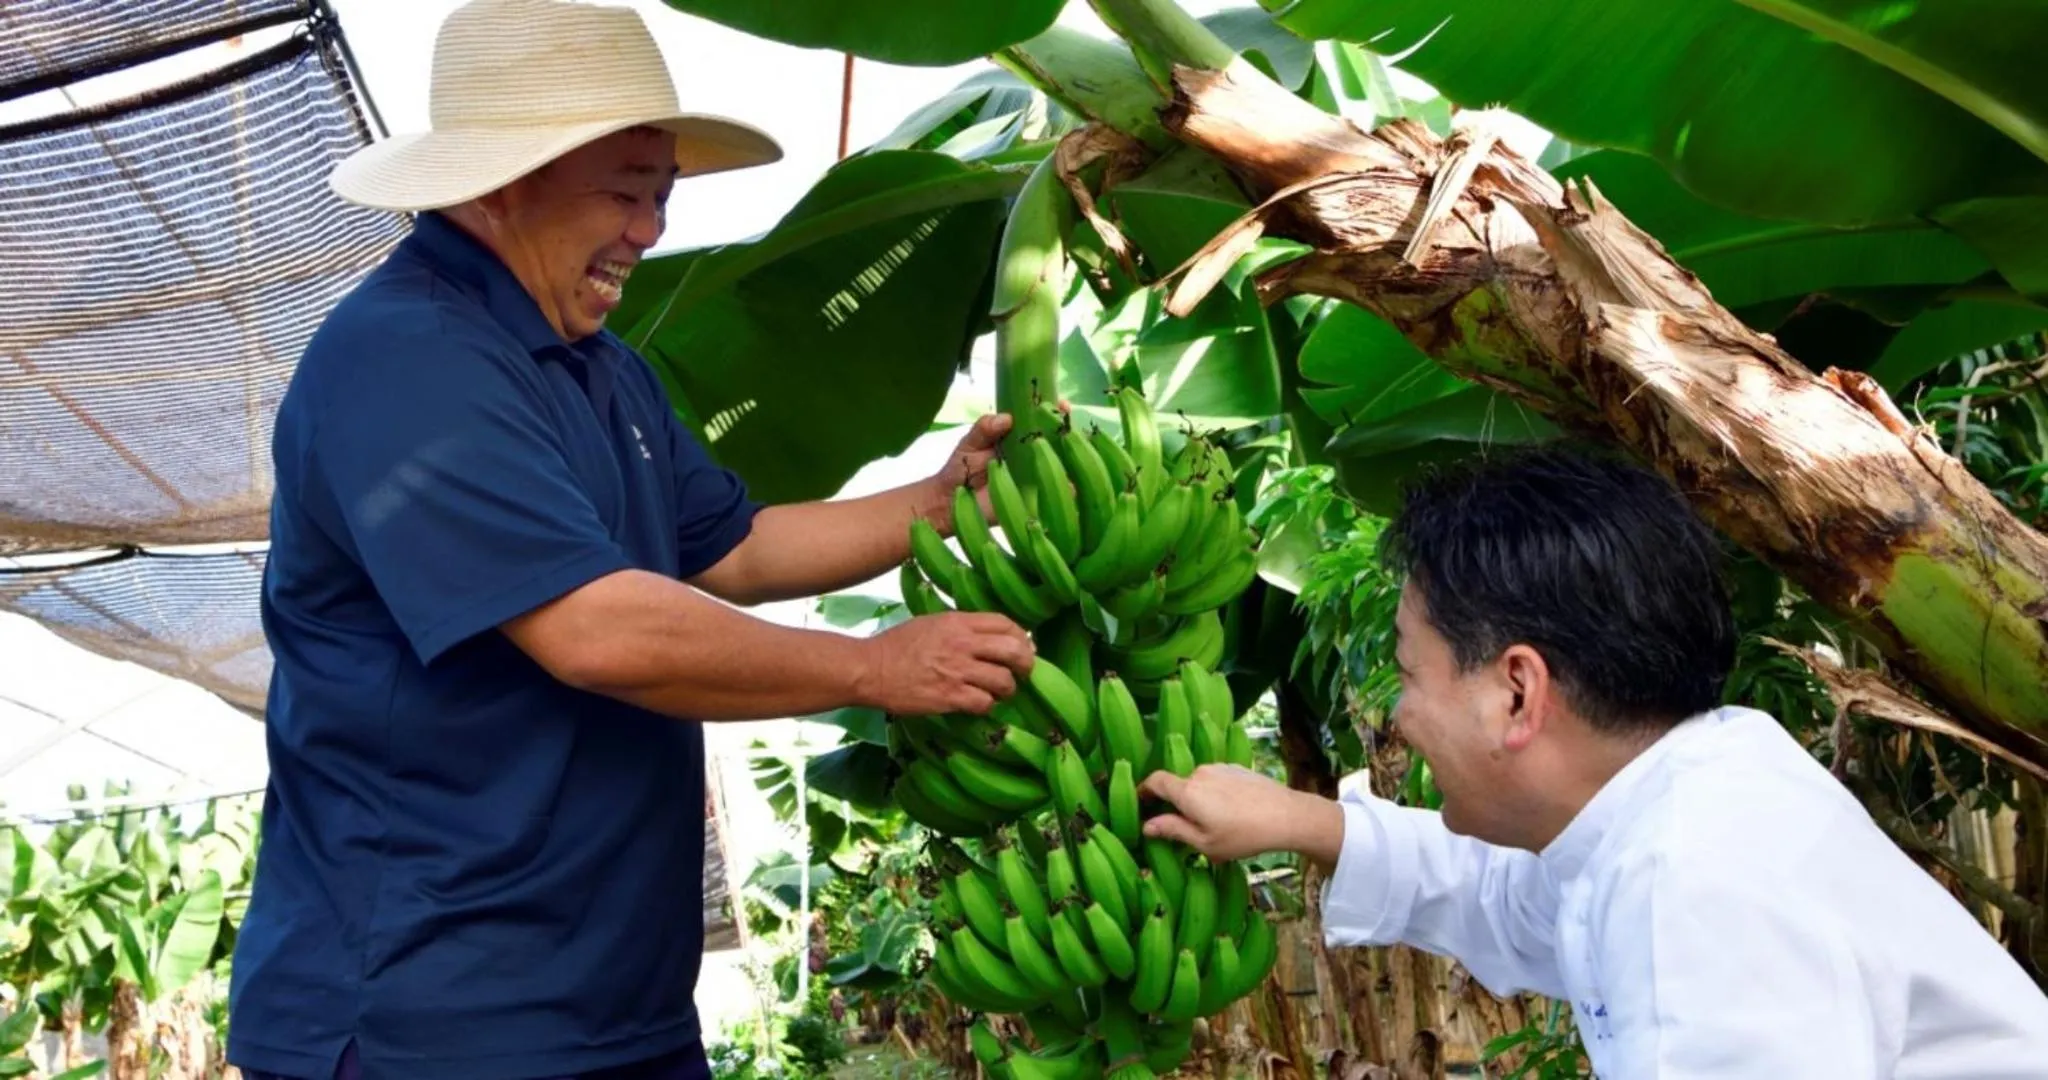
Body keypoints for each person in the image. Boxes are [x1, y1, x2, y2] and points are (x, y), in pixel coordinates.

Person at [228, 2, 1036, 1078]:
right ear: (503, 181)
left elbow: (735, 547)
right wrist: (873, 667)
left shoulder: (603, 369)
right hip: (432, 1018)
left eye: (660, 197)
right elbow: (596, 631)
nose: (649, 232)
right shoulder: (409, 359)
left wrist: (934, 503)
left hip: (614, 1009)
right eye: (623, 193)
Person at [1140, 446, 2048, 1078]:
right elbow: (1514, 899)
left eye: (1410, 676)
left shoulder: (1697, 885)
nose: (1402, 719)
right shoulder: (1693, 794)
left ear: (1518, 693)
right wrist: (1298, 820)